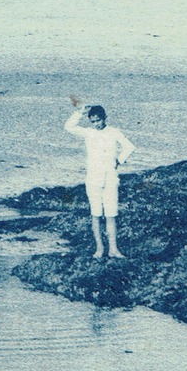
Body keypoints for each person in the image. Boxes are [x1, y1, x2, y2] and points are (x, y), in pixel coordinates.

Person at [64, 104, 135, 258]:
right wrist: (80, 112)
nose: (96, 124)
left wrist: (119, 160)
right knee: (96, 214)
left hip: (110, 179)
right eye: (93, 121)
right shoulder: (88, 133)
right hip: (93, 179)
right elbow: (68, 126)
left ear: (104, 118)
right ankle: (99, 249)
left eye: (98, 120)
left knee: (111, 214)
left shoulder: (113, 132)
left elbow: (129, 147)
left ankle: (114, 250)